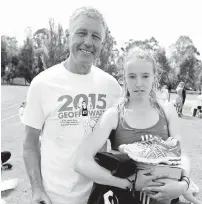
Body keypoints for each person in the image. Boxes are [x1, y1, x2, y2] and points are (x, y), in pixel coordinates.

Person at [22, 7, 123, 204]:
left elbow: (120, 142)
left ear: (102, 43)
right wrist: (37, 190)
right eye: (81, 33)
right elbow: (29, 143)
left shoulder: (111, 87)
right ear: (68, 36)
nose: (88, 42)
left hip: (97, 196)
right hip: (53, 197)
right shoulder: (43, 83)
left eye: (96, 36)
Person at [74, 47, 192, 204]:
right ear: (124, 78)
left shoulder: (167, 110)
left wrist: (183, 185)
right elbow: (81, 162)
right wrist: (129, 183)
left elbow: (181, 155)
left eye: (145, 76)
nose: (138, 83)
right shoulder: (114, 115)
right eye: (132, 76)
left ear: (154, 77)